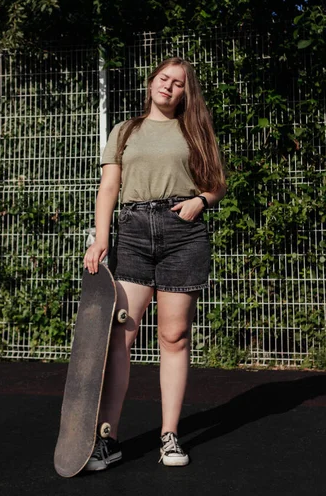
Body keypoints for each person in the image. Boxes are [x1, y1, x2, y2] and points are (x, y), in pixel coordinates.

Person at [83, 57, 226, 470]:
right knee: (120, 337)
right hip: (131, 233)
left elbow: (216, 184)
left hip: (182, 234)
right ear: (151, 82)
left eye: (178, 83)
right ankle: (106, 439)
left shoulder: (194, 130)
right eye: (164, 78)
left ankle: (169, 437)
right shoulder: (125, 131)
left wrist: (200, 202)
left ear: (185, 93)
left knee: (175, 336)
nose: (168, 86)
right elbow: (109, 186)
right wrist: (102, 238)